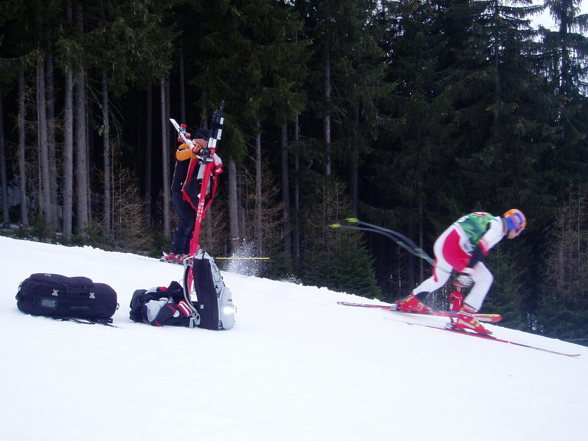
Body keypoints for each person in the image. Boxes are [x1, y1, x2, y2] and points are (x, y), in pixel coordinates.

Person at [398, 209, 526, 335]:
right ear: (512, 224)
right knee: (485, 278)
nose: (518, 234)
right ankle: (466, 317)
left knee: (439, 279)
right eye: (519, 229)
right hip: (454, 248)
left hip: (443, 243)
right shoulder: (497, 229)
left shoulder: (488, 217)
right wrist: (467, 271)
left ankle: (412, 301)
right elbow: (481, 249)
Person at [164, 127, 222, 263]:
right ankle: (175, 252)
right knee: (186, 220)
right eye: (207, 141)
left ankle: (185, 252)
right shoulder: (186, 146)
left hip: (191, 192)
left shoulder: (202, 152)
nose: (208, 144)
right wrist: (194, 150)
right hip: (179, 189)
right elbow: (180, 155)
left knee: (193, 221)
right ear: (202, 138)